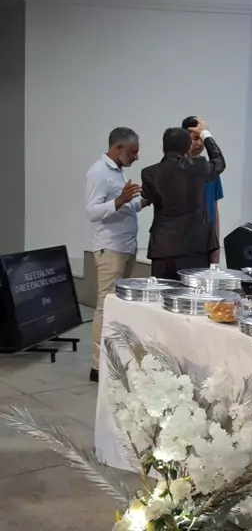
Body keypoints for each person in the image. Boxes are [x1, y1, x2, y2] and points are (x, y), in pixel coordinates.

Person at [85, 127, 146, 383]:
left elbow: (125, 208)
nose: (136, 157)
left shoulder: (118, 172)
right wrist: (119, 200)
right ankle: (98, 366)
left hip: (125, 247)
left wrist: (144, 201)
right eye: (133, 152)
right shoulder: (99, 172)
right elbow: (92, 212)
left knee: (117, 305)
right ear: (118, 148)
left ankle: (114, 359)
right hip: (110, 249)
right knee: (106, 305)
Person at [141, 121, 225, 280]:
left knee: (161, 294)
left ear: (163, 147)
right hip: (194, 248)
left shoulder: (149, 173)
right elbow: (219, 161)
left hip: (162, 249)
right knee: (190, 294)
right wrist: (205, 134)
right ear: (188, 147)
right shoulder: (199, 167)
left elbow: (146, 199)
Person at [182, 116, 224, 264]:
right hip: (182, 243)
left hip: (206, 242)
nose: (200, 143)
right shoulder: (176, 169)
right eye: (195, 138)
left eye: (202, 138)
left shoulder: (211, 170)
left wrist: (216, 248)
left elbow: (215, 211)